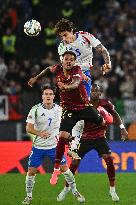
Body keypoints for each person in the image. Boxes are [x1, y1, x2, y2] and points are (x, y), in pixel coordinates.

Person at [28, 51, 113, 186]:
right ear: (62, 60)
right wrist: (36, 78)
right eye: (66, 59)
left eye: (71, 59)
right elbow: (47, 69)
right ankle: (56, 169)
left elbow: (76, 83)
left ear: (74, 61)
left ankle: (97, 129)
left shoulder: (77, 70)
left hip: (84, 107)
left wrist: (65, 87)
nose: (69, 61)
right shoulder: (57, 68)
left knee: (104, 122)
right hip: (69, 110)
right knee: (62, 136)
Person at [57, 84, 128, 202]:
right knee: (74, 162)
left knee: (109, 159)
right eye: (93, 90)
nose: (94, 92)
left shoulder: (106, 104)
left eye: (97, 91)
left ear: (100, 93)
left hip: (100, 137)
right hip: (85, 138)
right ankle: (66, 188)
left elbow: (115, 114)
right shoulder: (84, 104)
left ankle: (112, 190)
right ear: (90, 92)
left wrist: (122, 128)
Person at [22, 84, 85, 204]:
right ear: (42, 96)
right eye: (46, 94)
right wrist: (39, 133)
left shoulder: (59, 109)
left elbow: (68, 122)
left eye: (50, 94)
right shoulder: (35, 109)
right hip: (38, 147)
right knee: (31, 172)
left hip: (54, 147)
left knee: (66, 170)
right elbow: (28, 128)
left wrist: (71, 136)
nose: (48, 96)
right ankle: (29, 197)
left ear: (53, 96)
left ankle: (75, 192)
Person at [55, 18, 111, 97]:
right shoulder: (62, 46)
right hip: (72, 74)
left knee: (85, 102)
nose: (64, 39)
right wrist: (79, 73)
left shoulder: (85, 36)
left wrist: (108, 63)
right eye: (61, 36)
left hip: (86, 72)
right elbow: (65, 65)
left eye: (65, 35)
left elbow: (103, 50)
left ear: (71, 30)